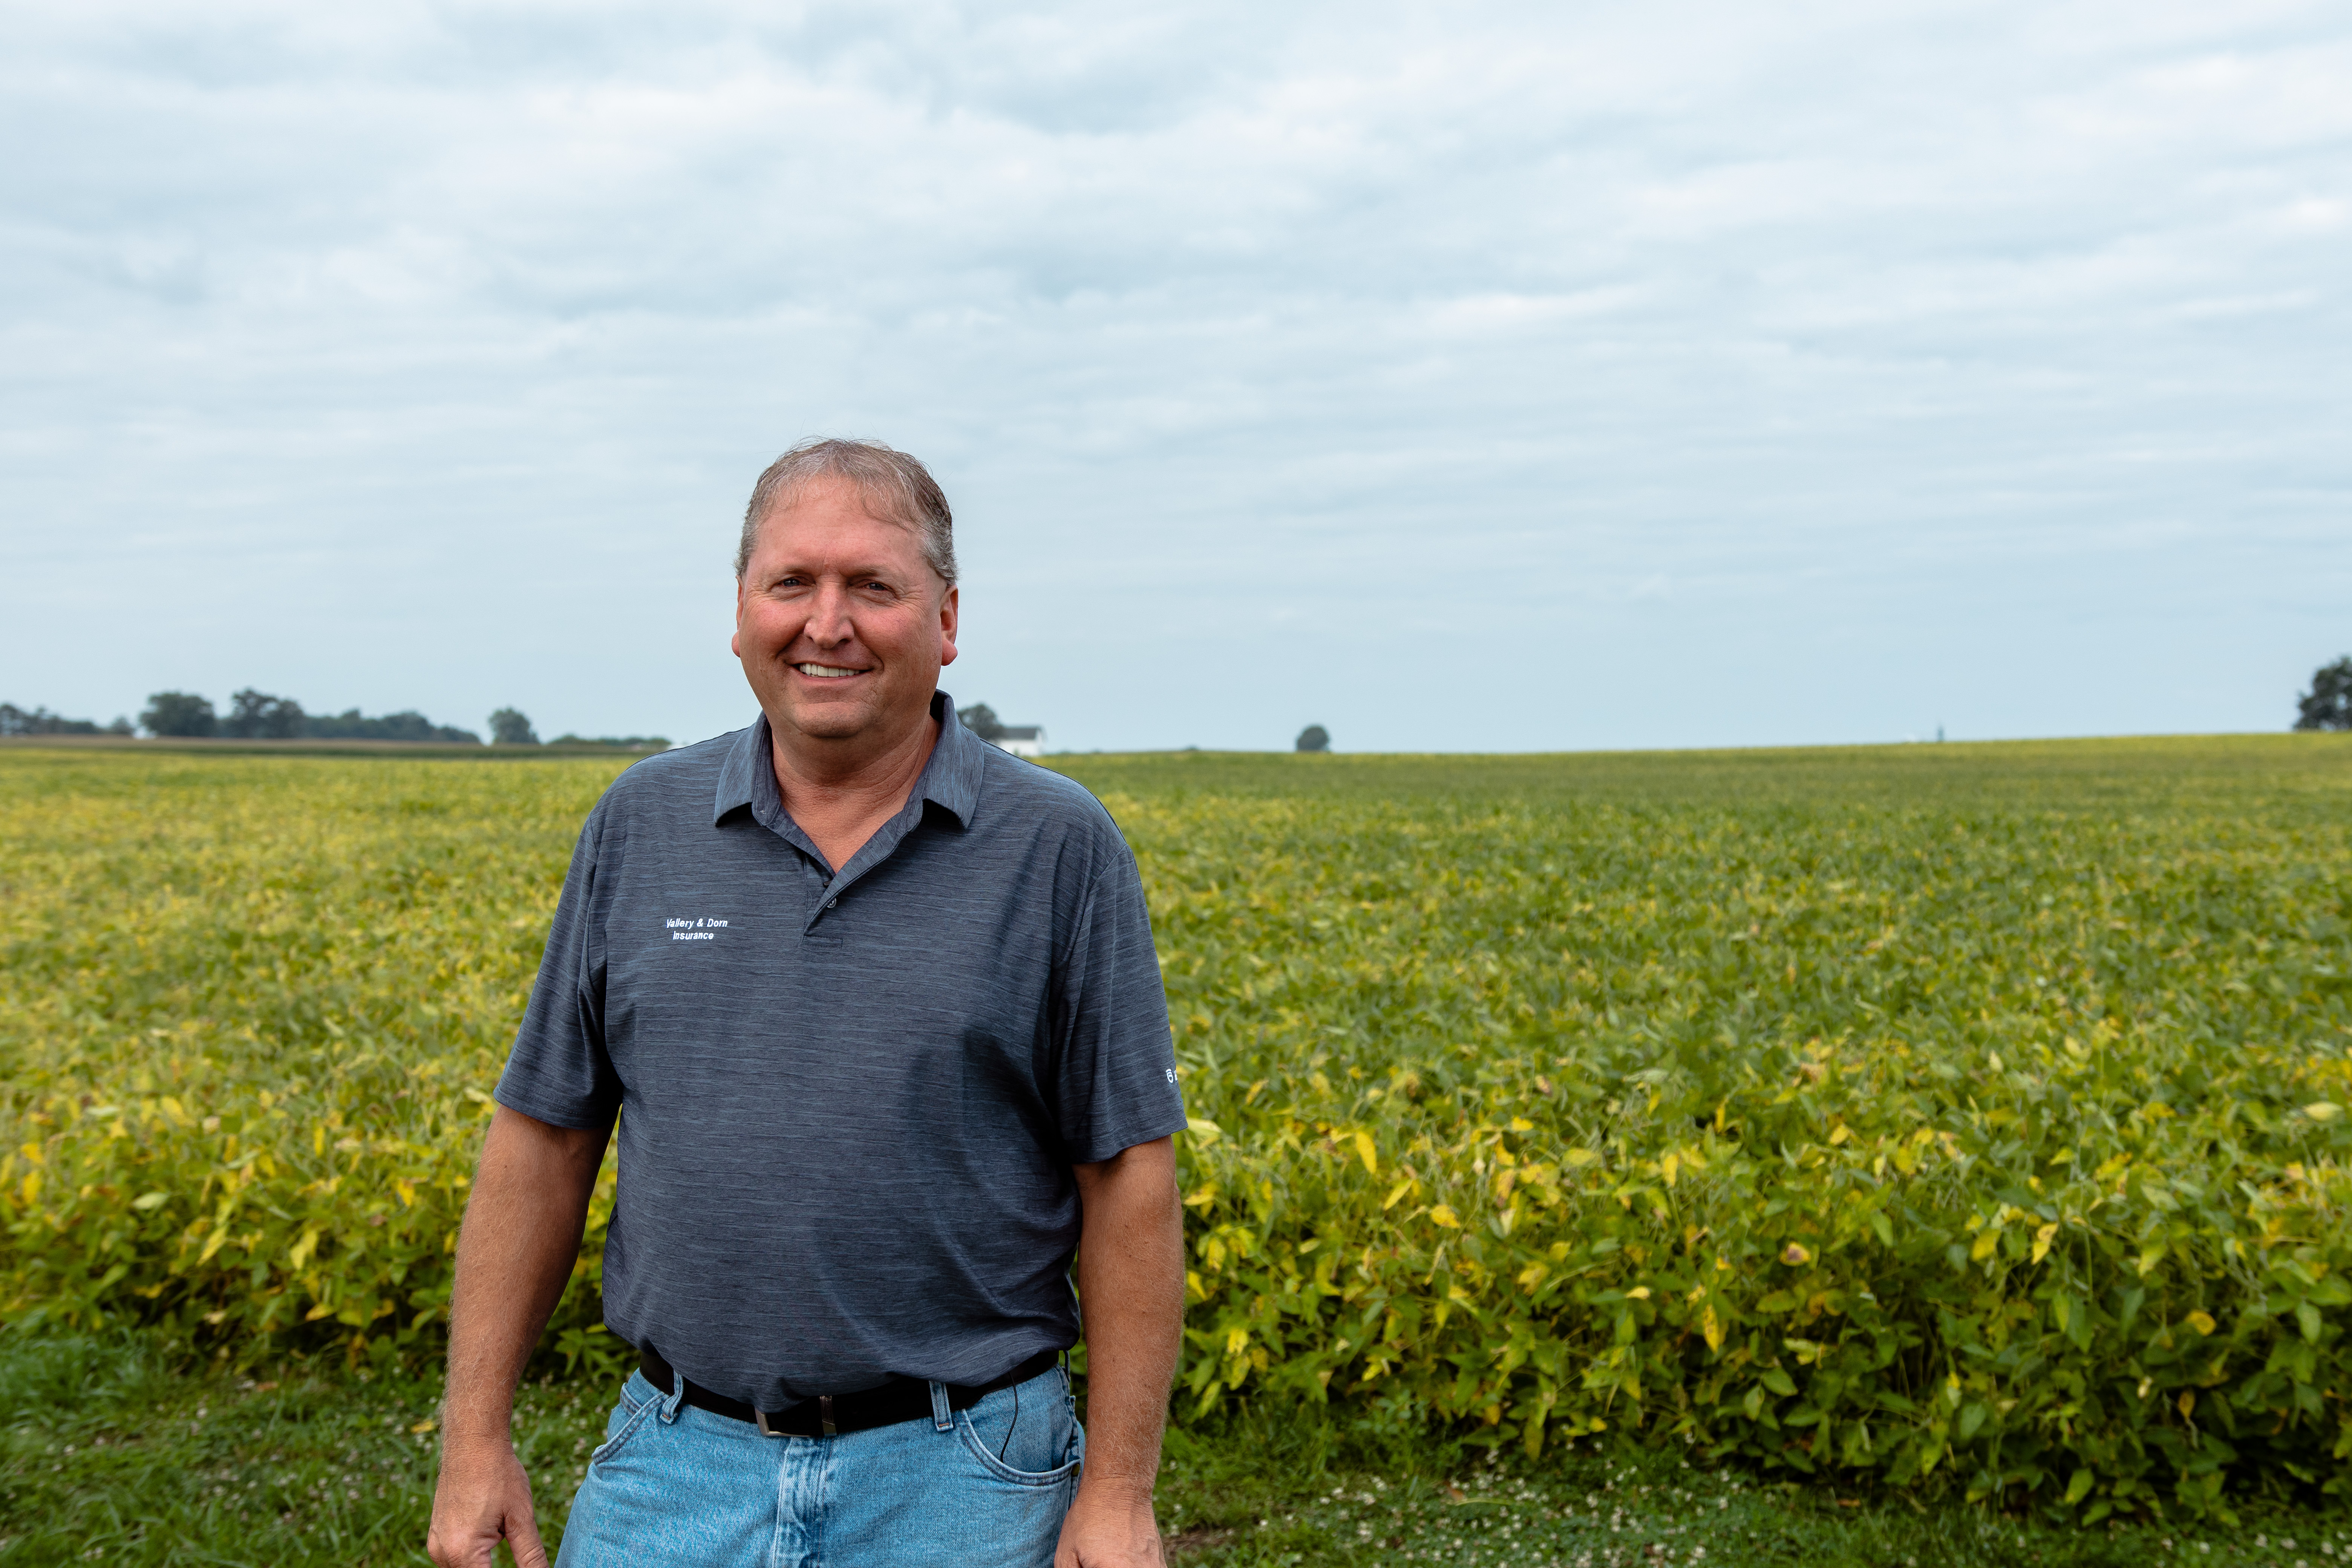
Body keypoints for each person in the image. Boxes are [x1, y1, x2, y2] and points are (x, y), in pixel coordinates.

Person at [426, 438, 1188, 1568]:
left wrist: (1119, 1494)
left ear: (946, 619)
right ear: (740, 614)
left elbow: (1127, 1175)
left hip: (965, 1471)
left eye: (873, 586)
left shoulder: (1057, 845)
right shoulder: (641, 823)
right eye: (792, 583)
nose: (826, 624)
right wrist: (472, 1439)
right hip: (675, 1460)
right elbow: (544, 1134)